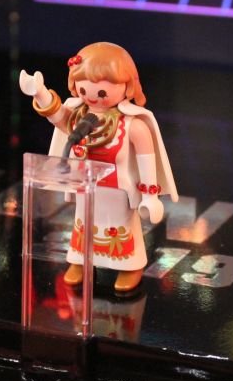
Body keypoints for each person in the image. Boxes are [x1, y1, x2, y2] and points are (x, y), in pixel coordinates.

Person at [19, 42, 178, 294]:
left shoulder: (133, 126)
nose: (92, 96)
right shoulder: (79, 118)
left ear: (127, 86)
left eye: (102, 91)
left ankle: (130, 266)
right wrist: (39, 92)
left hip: (118, 189)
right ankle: (80, 260)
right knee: (83, 222)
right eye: (84, 89)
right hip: (87, 185)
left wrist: (150, 196)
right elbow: (58, 116)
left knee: (120, 225)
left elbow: (147, 161)